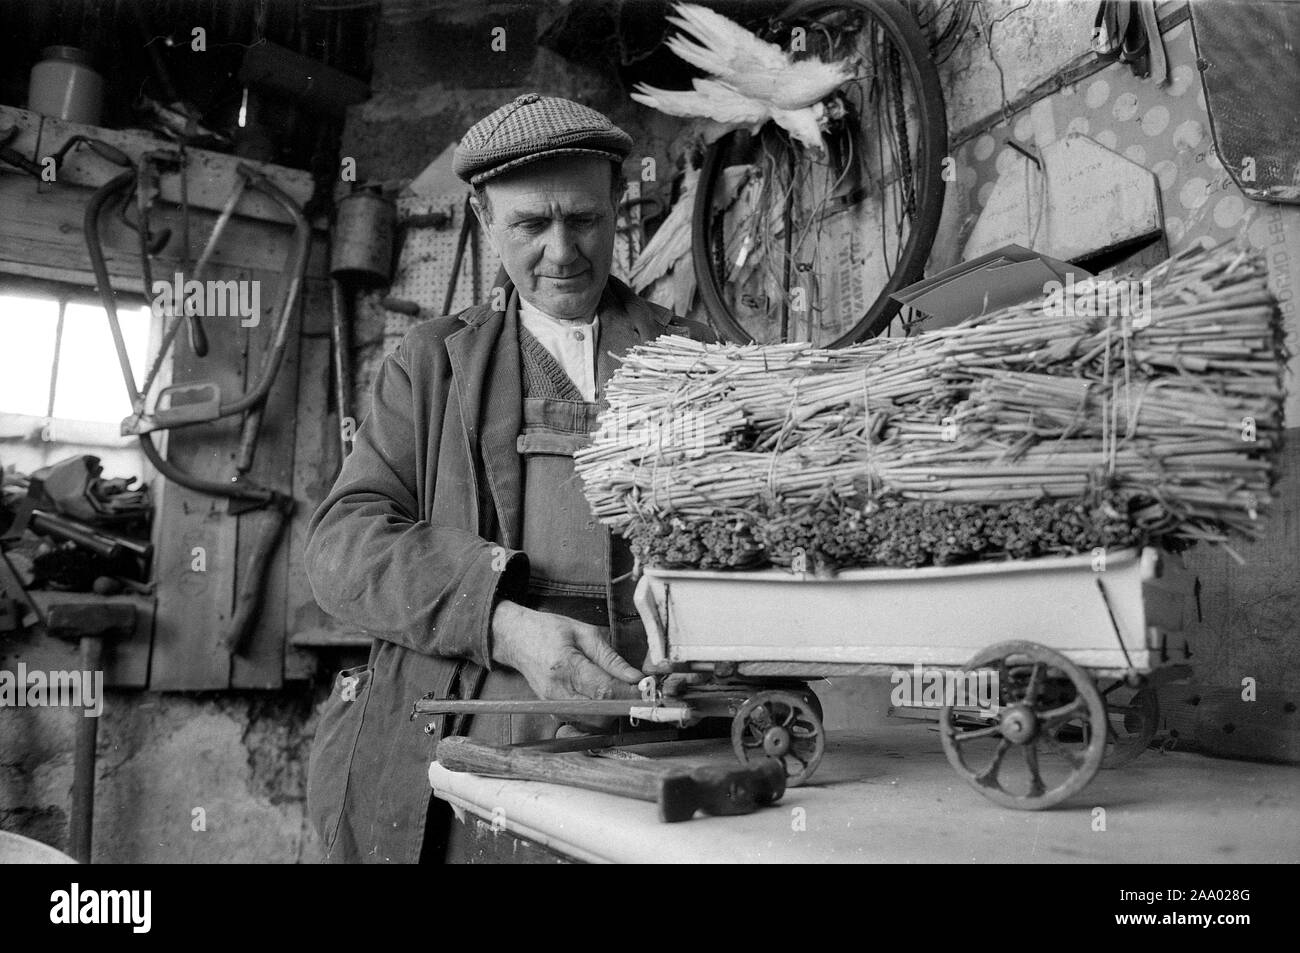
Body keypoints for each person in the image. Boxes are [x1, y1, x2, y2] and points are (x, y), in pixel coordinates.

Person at [304, 94, 714, 863]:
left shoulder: (697, 355)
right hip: (472, 745)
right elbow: (339, 547)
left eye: (585, 220)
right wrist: (503, 624)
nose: (563, 252)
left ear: (617, 203)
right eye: (530, 225)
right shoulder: (429, 365)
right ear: (483, 218)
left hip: (659, 741)